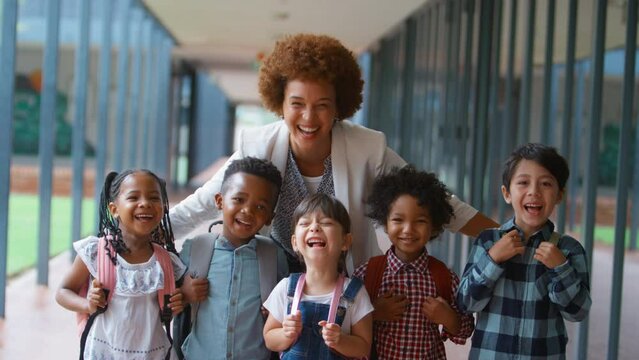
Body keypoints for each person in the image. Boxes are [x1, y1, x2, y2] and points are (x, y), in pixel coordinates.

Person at [168, 33, 498, 273]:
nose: (309, 118)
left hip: (345, 284)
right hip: (275, 284)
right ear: (280, 104)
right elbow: (201, 205)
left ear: (339, 106)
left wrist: (505, 235)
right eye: (297, 104)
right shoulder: (257, 146)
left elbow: (435, 201)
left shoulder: (368, 147)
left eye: (322, 105)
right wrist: (135, 237)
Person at [457, 143, 592, 359]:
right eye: (523, 182)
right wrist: (493, 259)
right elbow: (465, 303)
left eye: (546, 183)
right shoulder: (488, 241)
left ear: (559, 195)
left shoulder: (568, 250)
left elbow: (578, 312)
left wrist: (561, 268)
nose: (534, 192)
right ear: (507, 193)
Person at [56, 169, 186, 360]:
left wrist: (180, 299)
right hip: (104, 353)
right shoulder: (96, 252)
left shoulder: (167, 262)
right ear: (114, 209)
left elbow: (178, 301)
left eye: (154, 198)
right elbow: (63, 292)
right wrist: (88, 304)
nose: (145, 204)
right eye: (133, 197)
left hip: (153, 353)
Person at [353, 166, 474, 359]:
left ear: (434, 226)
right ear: (385, 223)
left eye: (420, 221)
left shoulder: (444, 277)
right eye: (398, 220)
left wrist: (448, 318)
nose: (408, 230)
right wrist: (373, 312)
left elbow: (465, 329)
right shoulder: (366, 274)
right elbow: (343, 322)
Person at [178, 157, 288, 359]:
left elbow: (287, 307)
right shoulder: (194, 249)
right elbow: (163, 301)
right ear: (220, 201)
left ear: (270, 217)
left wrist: (275, 310)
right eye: (239, 199)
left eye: (261, 207)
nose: (247, 210)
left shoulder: (275, 256)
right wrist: (183, 294)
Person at [263, 193, 373, 359]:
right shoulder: (285, 288)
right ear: (294, 243)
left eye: (326, 223)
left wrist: (340, 341)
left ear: (345, 241)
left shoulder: (355, 292)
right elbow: (269, 339)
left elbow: (364, 348)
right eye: (305, 223)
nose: (314, 227)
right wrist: (286, 333)